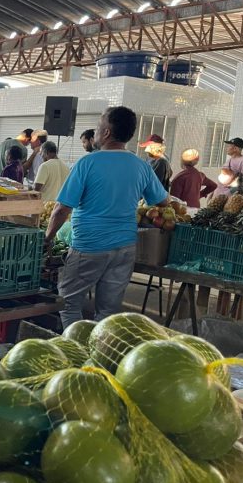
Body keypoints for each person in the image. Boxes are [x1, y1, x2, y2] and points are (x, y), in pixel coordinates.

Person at [45, 106, 169, 327]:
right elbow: (163, 202)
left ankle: (75, 350)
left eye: (99, 125)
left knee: (68, 302)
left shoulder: (87, 163)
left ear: (106, 133)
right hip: (125, 247)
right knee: (108, 311)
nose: (96, 130)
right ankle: (99, 350)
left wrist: (48, 238)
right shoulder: (141, 166)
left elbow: (62, 209)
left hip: (89, 246)